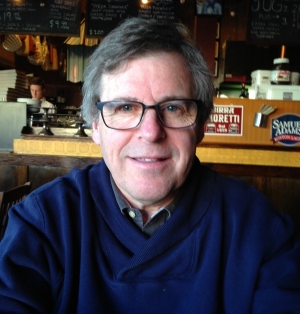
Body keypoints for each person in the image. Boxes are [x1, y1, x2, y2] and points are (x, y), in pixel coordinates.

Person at [0, 18, 300, 313]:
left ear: (201, 126)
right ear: (95, 125)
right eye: (125, 107)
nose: (151, 132)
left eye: (173, 108)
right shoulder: (42, 224)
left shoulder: (261, 232)